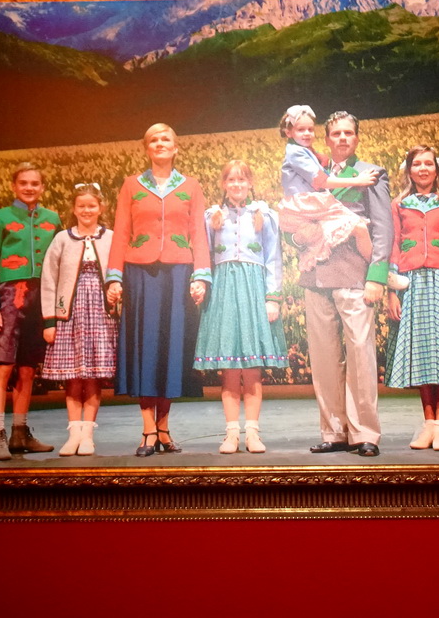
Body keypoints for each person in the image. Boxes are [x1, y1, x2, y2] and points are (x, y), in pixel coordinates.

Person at [105, 124, 211, 457]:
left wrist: (201, 275)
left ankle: (163, 427)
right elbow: (121, 231)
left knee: (170, 352)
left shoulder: (190, 186)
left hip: (179, 273)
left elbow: (199, 233)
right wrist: (114, 277)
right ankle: (147, 431)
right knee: (145, 351)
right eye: (154, 140)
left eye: (166, 139)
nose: (160, 144)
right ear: (146, 148)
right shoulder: (131, 185)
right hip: (141, 274)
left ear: (176, 148)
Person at [292, 111, 391, 457]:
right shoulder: (310, 174)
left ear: (357, 138)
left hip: (354, 272)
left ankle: (365, 433)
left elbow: (382, 228)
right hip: (316, 274)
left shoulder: (370, 174)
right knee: (323, 357)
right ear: (327, 138)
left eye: (349, 133)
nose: (343, 138)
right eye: (336, 133)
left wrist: (377, 276)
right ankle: (334, 431)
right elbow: (295, 219)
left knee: (360, 353)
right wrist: (298, 237)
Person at [193, 160, 289, 453]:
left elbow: (273, 258)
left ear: (250, 183)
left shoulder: (264, 215)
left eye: (242, 180)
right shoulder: (213, 216)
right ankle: (232, 433)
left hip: (253, 290)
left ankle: (253, 433)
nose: (237, 185)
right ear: (224, 184)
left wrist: (272, 297)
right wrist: (202, 284)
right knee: (229, 369)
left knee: (253, 367)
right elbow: (202, 255)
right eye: (231, 180)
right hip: (223, 290)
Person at [385, 146, 439, 450]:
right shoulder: (399, 204)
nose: (423, 169)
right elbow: (394, 247)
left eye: (428, 164)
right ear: (409, 170)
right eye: (417, 164)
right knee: (421, 354)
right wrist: (392, 291)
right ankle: (428, 424)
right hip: (412, 282)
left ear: (436, 169)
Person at [0, 161, 61, 460]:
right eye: (23, 183)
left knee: (28, 368)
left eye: (35, 183)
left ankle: (19, 432)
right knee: (3, 366)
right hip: (9, 298)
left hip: (41, 298)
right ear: (14, 186)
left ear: (42, 187)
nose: (29, 188)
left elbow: (59, 260)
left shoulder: (52, 218)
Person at [40, 183, 117, 457]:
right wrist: (50, 320)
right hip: (69, 315)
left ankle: (88, 434)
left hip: (99, 312)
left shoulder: (111, 237)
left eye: (92, 206)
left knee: (94, 375)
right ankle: (73, 432)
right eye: (81, 206)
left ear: (101, 208)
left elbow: (120, 273)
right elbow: (49, 279)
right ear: (74, 209)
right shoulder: (62, 238)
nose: (86, 210)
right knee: (72, 376)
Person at [276, 104, 377, 272]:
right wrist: (358, 180)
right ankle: (382, 272)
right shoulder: (297, 153)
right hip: (308, 204)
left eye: (310, 129)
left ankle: (377, 272)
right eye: (301, 130)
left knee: (355, 229)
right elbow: (322, 182)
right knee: (358, 227)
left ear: (358, 138)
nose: (307, 134)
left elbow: (382, 227)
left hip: (350, 272)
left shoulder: (303, 152)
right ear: (289, 132)